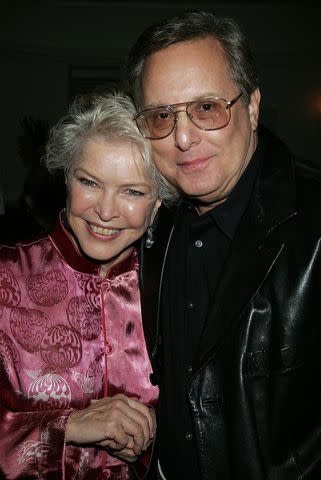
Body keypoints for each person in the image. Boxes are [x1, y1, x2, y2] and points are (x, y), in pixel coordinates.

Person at [126, 9, 321, 480]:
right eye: (161, 116)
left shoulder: (314, 224)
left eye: (207, 108)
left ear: (251, 107)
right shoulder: (144, 223)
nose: (184, 138)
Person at [0, 92, 177, 479]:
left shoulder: (181, 287)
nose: (106, 211)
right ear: (67, 178)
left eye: (132, 191)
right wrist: (70, 426)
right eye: (90, 182)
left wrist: (154, 434)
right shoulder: (5, 277)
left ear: (158, 202)